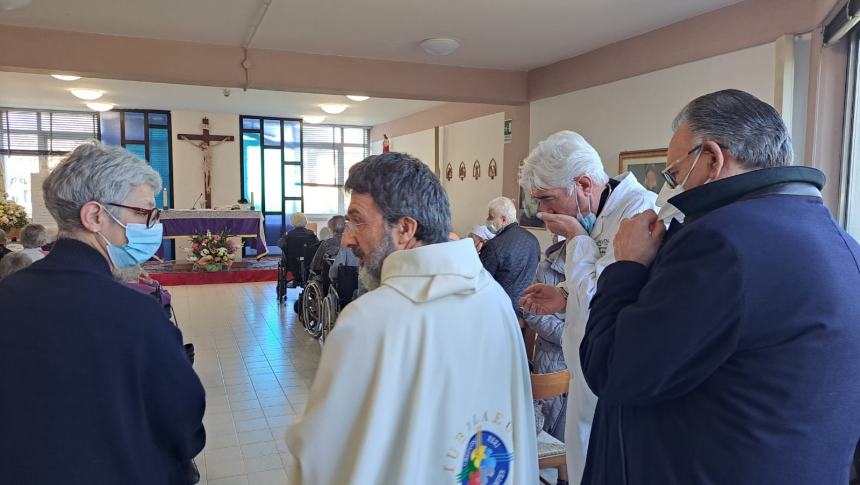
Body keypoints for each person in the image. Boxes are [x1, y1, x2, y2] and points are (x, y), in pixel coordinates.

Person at [578, 89, 860, 484]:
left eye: (673, 175)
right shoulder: (845, 246)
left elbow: (613, 368)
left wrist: (627, 266)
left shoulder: (720, 243)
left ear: (711, 158)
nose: (670, 191)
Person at [285, 152, 538, 484]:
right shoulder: (494, 299)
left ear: (404, 229)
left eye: (358, 220)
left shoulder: (368, 321)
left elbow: (324, 459)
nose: (347, 238)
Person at [0, 142, 205, 485]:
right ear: (95, 216)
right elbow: (183, 427)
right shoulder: (137, 314)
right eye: (144, 213)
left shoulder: (7, 294)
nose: (153, 225)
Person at [517, 130, 657, 483]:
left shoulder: (639, 212)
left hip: (615, 378)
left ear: (583, 185)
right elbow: (594, 275)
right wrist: (563, 294)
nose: (544, 212)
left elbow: (606, 294)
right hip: (583, 368)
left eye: (548, 200)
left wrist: (578, 239)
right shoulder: (597, 215)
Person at [522, 238, 568, 441]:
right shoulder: (547, 267)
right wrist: (568, 335)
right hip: (552, 358)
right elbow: (532, 312)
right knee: (550, 430)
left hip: (586, 358)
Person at [479, 196, 540, 315]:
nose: (487, 220)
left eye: (491, 217)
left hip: (498, 310)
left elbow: (481, 283)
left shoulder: (494, 246)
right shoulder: (533, 240)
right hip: (526, 308)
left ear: (503, 219)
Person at [277, 212, 318, 284]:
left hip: (291, 264)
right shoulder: (311, 234)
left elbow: (280, 245)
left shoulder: (288, 235)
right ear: (305, 221)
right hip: (309, 263)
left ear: (293, 222)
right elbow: (317, 246)